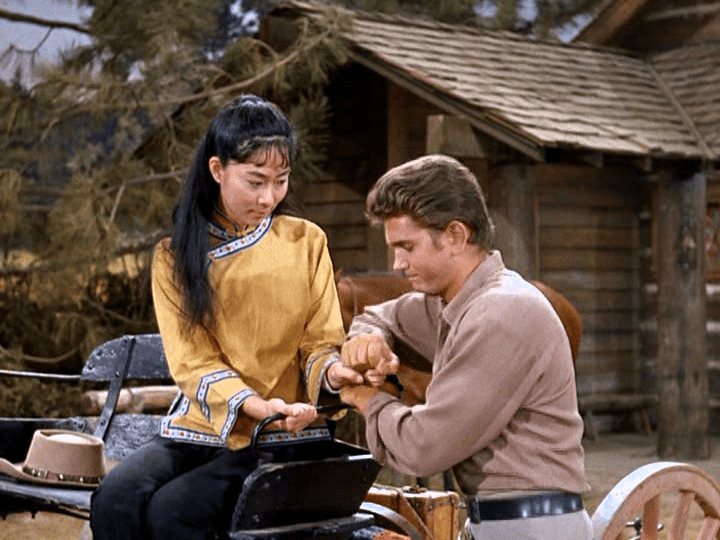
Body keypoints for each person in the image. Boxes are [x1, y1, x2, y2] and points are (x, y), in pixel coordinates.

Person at [90, 94, 362, 540]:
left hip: (281, 433)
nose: (268, 197)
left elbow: (320, 343)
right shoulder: (174, 256)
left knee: (173, 512)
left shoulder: (306, 242)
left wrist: (334, 374)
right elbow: (193, 362)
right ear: (217, 170)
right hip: (202, 425)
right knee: (115, 497)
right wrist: (254, 405)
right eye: (255, 181)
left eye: (280, 181)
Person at [338, 154, 592, 540]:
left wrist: (364, 397)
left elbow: (423, 448)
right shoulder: (457, 303)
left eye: (407, 246)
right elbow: (379, 315)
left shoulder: (502, 312)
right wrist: (368, 341)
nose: (398, 263)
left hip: (532, 530)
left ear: (456, 236)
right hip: (493, 523)